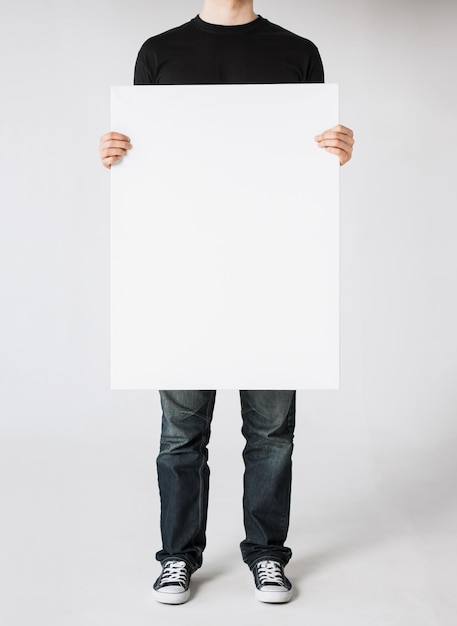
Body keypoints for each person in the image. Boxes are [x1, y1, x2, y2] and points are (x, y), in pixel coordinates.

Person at [99, 0, 354, 605]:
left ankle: (267, 554)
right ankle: (176, 557)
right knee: (181, 432)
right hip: (184, 269)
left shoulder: (298, 53)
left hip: (276, 269)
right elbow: (155, 162)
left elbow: (303, 163)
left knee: (271, 431)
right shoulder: (159, 52)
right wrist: (120, 153)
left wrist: (336, 149)